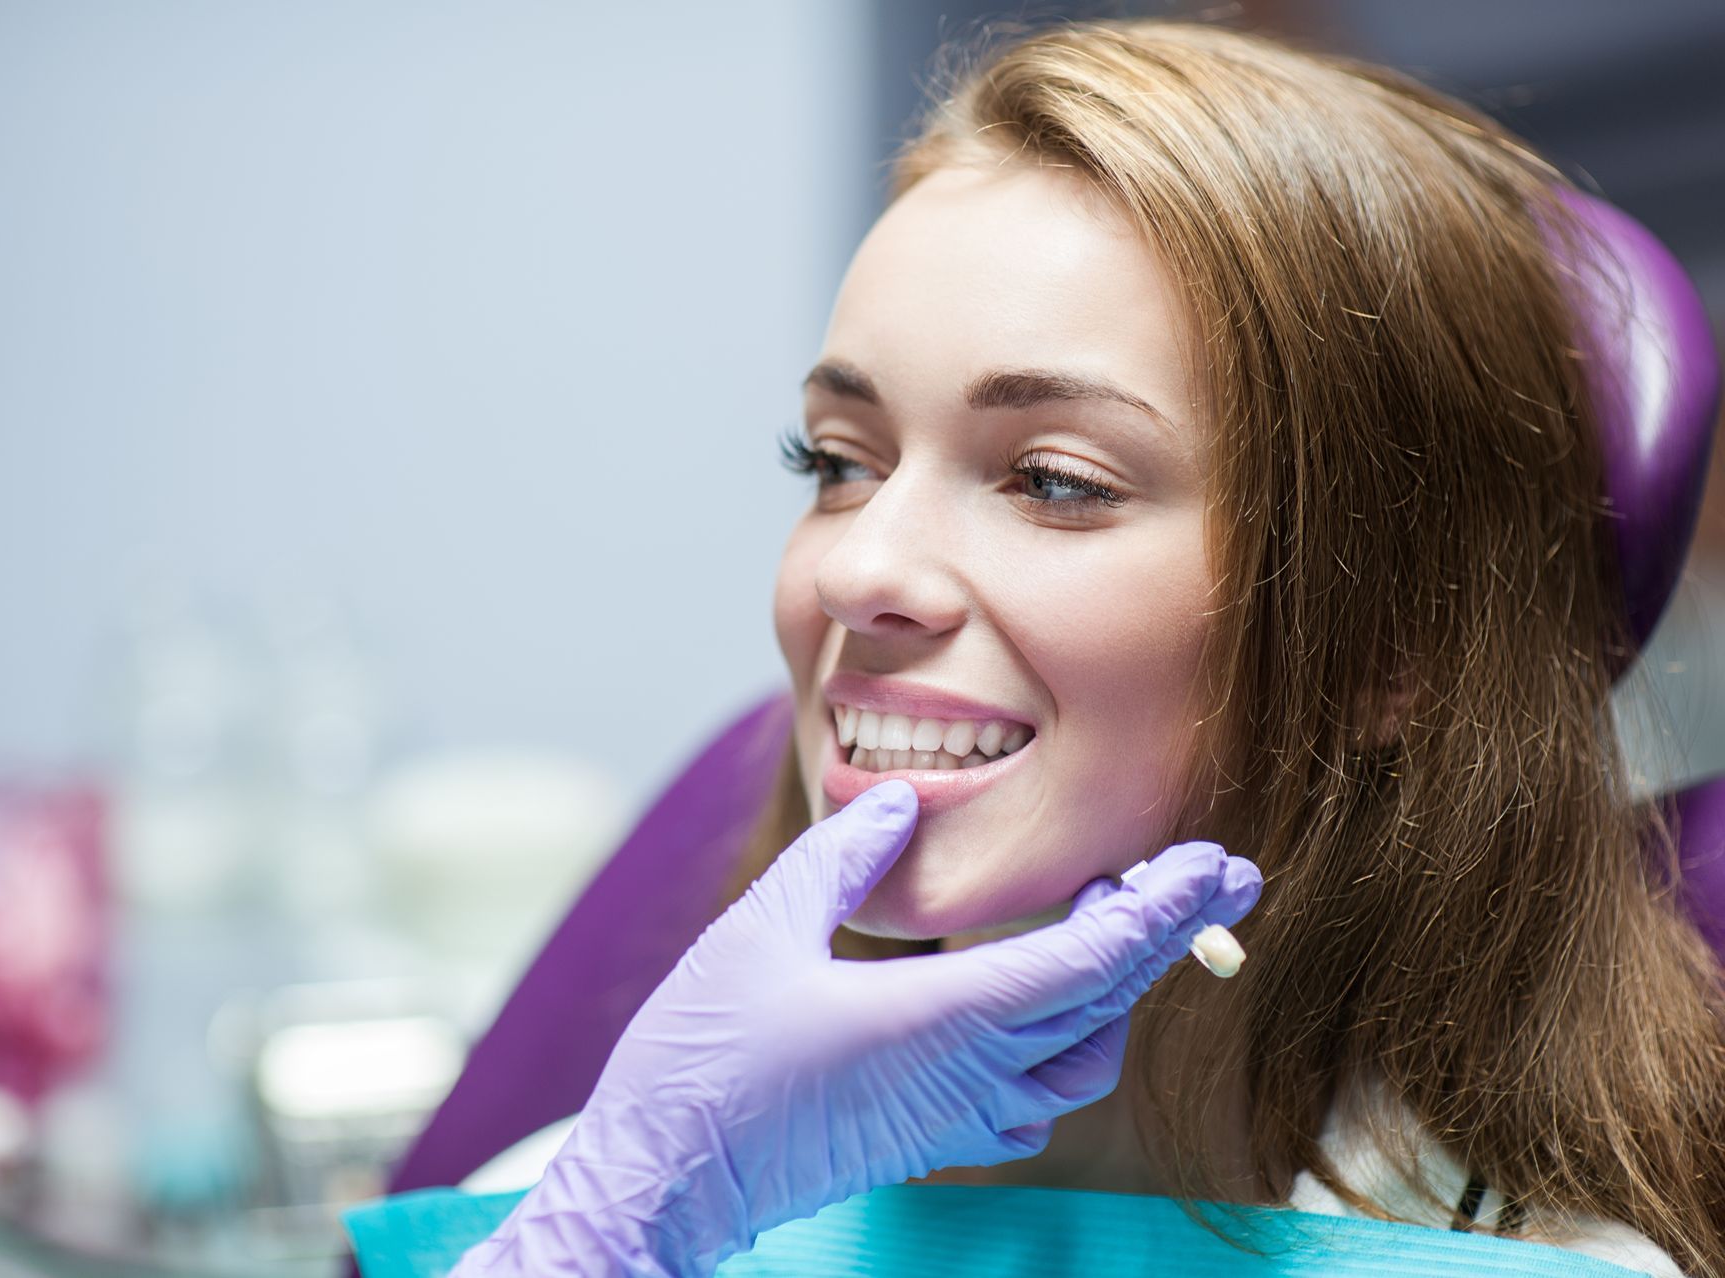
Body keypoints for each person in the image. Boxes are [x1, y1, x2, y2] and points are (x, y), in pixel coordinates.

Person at [444, 18, 1721, 1277]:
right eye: (837, 462)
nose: (855, 569)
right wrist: (619, 1223)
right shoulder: (585, 1203)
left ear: (1388, 652)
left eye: (1054, 482)